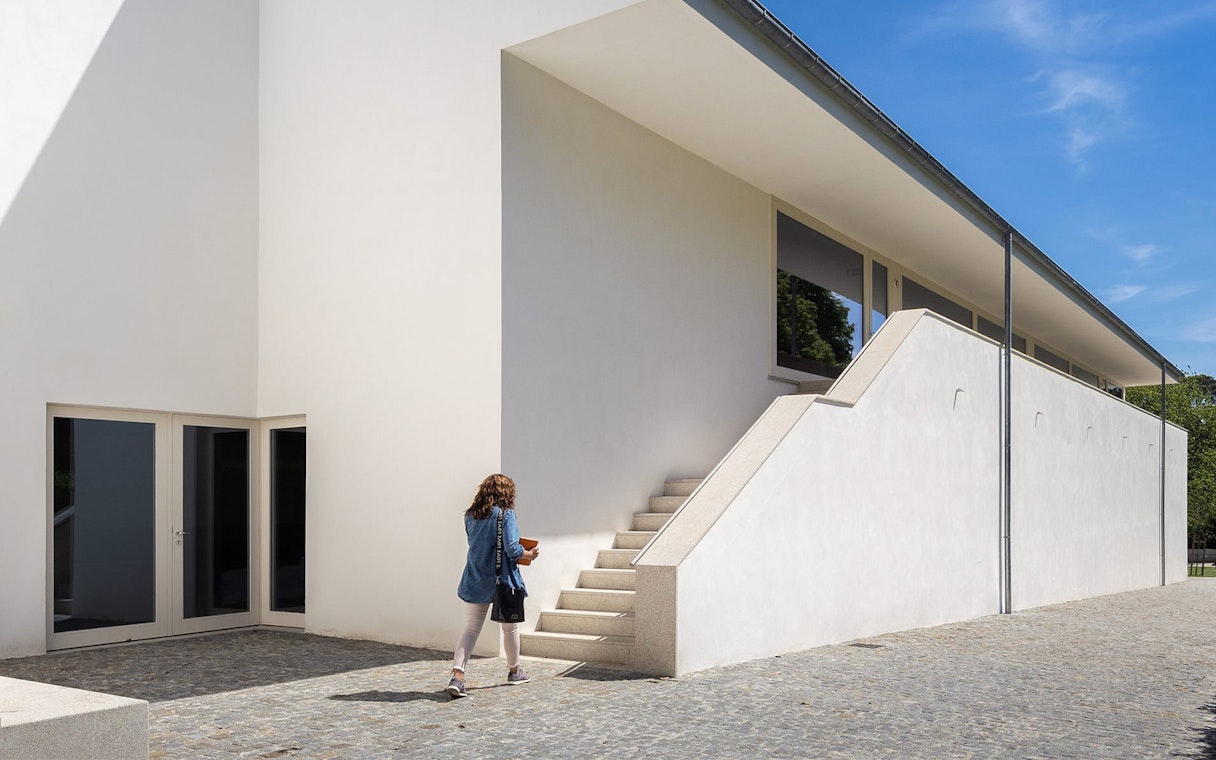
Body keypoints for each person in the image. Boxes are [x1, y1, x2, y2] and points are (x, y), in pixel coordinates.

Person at [447, 473, 539, 699]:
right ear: (507, 493)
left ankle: (457, 676)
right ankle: (514, 672)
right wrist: (529, 554)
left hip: (475, 577)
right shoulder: (506, 515)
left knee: (471, 629)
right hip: (502, 580)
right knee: (510, 628)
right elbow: (512, 549)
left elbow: (477, 544)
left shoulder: (470, 515)